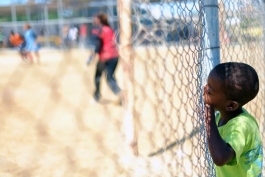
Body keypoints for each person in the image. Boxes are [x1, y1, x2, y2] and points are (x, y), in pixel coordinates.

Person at [203, 62, 263, 177]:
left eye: (209, 91)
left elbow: (220, 158)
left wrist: (208, 118)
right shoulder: (222, 116)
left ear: (230, 106)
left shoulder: (241, 126)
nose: (204, 89)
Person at [87, 13, 121, 103]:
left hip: (105, 57)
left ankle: (97, 96)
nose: (93, 20)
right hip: (115, 56)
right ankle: (119, 93)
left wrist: (91, 56)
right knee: (110, 76)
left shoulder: (98, 30)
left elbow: (97, 45)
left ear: (99, 20)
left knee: (98, 76)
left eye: (95, 18)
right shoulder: (109, 29)